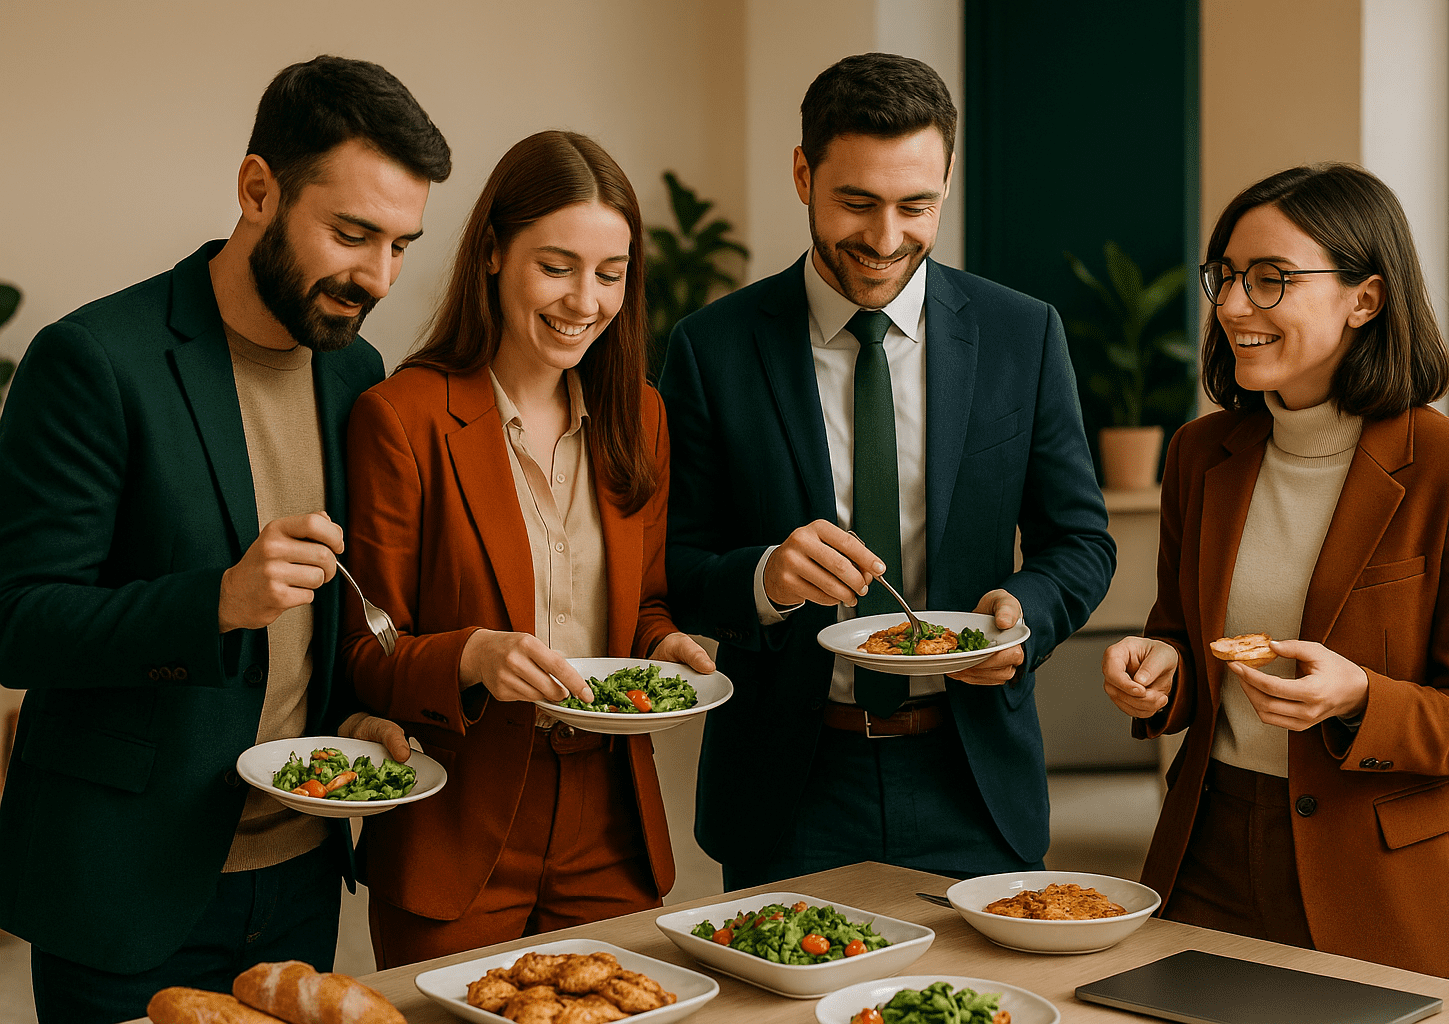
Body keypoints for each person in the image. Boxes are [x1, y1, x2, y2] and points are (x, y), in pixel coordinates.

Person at [0, 55, 450, 1024]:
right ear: (257, 190)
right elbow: (17, 620)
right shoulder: (92, 360)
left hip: (297, 877)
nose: (378, 276)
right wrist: (214, 602)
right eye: (352, 234)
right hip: (123, 885)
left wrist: (353, 722)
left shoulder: (355, 371)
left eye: (403, 243)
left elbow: (324, 609)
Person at [658, 53, 1115, 888]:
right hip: (787, 790)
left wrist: (1025, 615)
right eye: (857, 203)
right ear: (804, 173)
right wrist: (766, 577)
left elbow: (1081, 540)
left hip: (974, 780)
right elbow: (674, 564)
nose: (885, 238)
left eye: (918, 205)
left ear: (947, 181)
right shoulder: (710, 347)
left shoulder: (1025, 334)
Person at [1101, 163, 1449, 979]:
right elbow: (1182, 639)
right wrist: (1163, 670)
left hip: (1380, 884)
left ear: (1363, 300)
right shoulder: (1199, 453)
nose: (1231, 307)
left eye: (1271, 281)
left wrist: (1360, 696)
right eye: (1225, 278)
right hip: (1207, 853)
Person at [341, 129, 714, 968]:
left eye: (610, 275)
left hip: (610, 818)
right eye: (557, 266)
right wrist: (472, 655)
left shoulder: (641, 415)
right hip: (460, 819)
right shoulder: (402, 418)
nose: (585, 299)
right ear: (492, 256)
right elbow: (366, 648)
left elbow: (643, 606)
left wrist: (665, 646)